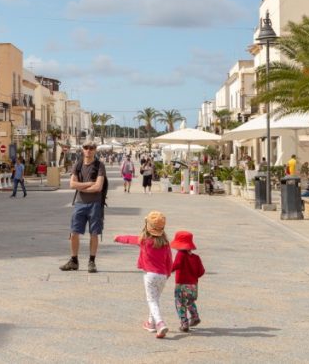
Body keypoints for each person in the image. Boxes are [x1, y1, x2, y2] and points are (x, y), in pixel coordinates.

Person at [114, 211, 173, 339]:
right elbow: (169, 259)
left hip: (150, 275)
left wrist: (118, 238)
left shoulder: (144, 240)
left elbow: (130, 239)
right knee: (155, 299)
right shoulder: (165, 243)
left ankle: (160, 322)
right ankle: (151, 324)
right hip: (163, 276)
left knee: (152, 300)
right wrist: (168, 273)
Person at [60, 140, 106, 273]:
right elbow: (72, 184)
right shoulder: (78, 165)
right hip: (79, 204)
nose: (88, 150)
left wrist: (82, 186)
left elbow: (98, 187)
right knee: (74, 233)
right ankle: (74, 261)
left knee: (94, 233)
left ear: (95, 150)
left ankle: (92, 261)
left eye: (91, 148)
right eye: (86, 147)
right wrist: (88, 184)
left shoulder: (99, 166)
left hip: (95, 204)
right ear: (82, 149)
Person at [170, 230, 205, 332]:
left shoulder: (181, 254)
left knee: (180, 303)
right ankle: (195, 316)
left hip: (181, 284)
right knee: (190, 301)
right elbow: (201, 272)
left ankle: (184, 323)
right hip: (193, 285)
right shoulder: (196, 258)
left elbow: (176, 265)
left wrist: (168, 271)